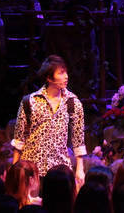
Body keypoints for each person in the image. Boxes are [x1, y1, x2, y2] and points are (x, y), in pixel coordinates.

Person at [11, 55, 87, 185]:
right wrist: (15, 169)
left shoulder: (73, 102)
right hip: (32, 169)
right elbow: (19, 138)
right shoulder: (30, 101)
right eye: (61, 73)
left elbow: (78, 139)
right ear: (49, 78)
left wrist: (80, 168)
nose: (66, 76)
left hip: (60, 170)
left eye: (66, 72)